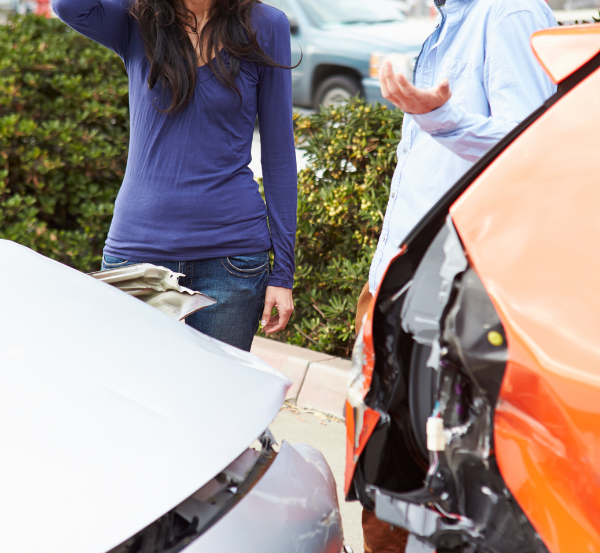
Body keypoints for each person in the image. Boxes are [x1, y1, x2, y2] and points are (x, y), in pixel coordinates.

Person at [355, 0, 557, 551]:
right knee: (382, 497)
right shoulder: (449, 23)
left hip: (446, 312)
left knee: (435, 509)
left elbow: (534, 149)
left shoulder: (509, 12)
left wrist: (438, 117)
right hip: (397, 296)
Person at [52, 0, 297, 351]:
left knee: (214, 400)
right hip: (137, 254)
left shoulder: (265, 24)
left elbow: (280, 156)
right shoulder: (136, 18)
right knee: (135, 397)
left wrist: (283, 273)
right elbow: (68, 6)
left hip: (232, 261)